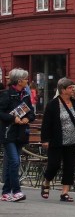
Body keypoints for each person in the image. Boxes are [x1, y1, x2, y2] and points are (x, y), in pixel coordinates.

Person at [39, 77, 75, 203]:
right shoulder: (52, 105)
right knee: (54, 165)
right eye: (70, 88)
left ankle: (65, 192)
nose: (72, 90)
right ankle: (46, 182)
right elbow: (46, 124)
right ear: (63, 90)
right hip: (57, 140)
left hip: (72, 140)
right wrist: (45, 139)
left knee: (69, 166)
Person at [0, 68, 34, 201]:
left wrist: (27, 118)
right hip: (8, 133)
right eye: (25, 79)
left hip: (21, 133)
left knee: (12, 163)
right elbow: (1, 113)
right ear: (19, 81)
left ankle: (5, 192)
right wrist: (13, 118)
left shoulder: (25, 95)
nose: (27, 81)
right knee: (14, 161)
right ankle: (16, 190)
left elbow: (31, 113)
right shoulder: (6, 94)